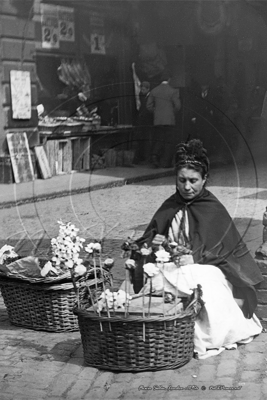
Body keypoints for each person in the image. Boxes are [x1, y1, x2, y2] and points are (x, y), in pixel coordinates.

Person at [128, 139, 263, 359]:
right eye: (182, 180)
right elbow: (149, 239)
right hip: (170, 264)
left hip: (207, 266)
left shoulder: (212, 208)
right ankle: (159, 331)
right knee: (153, 280)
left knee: (197, 283)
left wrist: (196, 257)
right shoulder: (170, 205)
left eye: (193, 180)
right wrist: (153, 245)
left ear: (204, 180)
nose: (187, 187)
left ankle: (192, 334)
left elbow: (224, 248)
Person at [146, 71, 181, 168]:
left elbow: (148, 106)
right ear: (169, 79)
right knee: (168, 141)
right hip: (169, 120)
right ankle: (166, 163)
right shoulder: (173, 91)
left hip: (158, 120)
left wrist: (156, 112)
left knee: (159, 139)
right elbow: (178, 106)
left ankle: (154, 156)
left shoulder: (154, 90)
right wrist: (171, 112)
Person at [134, 81, 153, 164]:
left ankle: (146, 158)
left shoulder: (150, 97)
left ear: (148, 89)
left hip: (147, 122)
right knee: (142, 140)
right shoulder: (142, 96)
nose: (142, 91)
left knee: (147, 140)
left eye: (144, 89)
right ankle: (142, 157)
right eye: (141, 89)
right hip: (142, 122)